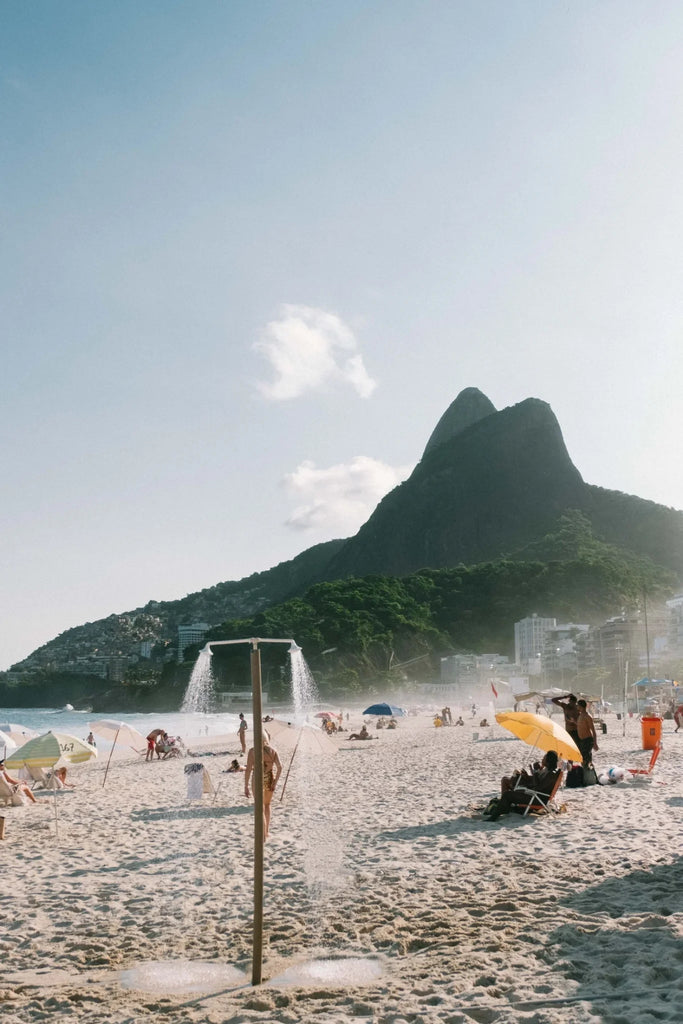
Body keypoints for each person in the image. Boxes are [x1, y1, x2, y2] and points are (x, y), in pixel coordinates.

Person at [484, 751, 560, 820]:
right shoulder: (547, 770)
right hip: (535, 795)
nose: (542, 759)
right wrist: (528, 776)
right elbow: (538, 783)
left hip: (537, 799)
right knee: (512, 783)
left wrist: (536, 772)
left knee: (508, 794)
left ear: (549, 761)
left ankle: (494, 816)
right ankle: (503, 807)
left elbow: (537, 788)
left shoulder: (551, 774)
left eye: (544, 758)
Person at [244, 730, 282, 841]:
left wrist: (246, 785)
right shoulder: (273, 751)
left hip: (257, 779)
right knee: (267, 805)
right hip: (269, 778)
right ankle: (267, 832)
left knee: (259, 807)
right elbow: (280, 767)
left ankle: (262, 834)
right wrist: (275, 782)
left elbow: (248, 770)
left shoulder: (252, 751)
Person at [576, 699, 598, 767]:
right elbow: (581, 726)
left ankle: (589, 774)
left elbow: (593, 731)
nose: (577, 707)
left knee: (586, 760)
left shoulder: (587, 716)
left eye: (578, 706)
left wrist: (595, 743)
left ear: (581, 706)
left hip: (587, 740)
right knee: (583, 759)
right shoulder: (580, 716)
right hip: (581, 740)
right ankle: (587, 774)